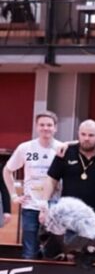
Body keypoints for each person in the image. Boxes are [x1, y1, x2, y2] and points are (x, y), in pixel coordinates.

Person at [3, 110, 64, 259]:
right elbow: (7, 170)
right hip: (30, 206)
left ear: (55, 128)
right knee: (30, 252)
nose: (45, 128)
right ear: (36, 127)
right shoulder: (25, 148)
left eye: (49, 125)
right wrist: (14, 196)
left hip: (54, 206)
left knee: (53, 254)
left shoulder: (62, 148)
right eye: (42, 125)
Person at [43, 119, 95, 214]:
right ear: (78, 134)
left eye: (91, 135)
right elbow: (52, 179)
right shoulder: (65, 152)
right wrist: (44, 203)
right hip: (68, 212)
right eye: (83, 134)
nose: (86, 138)